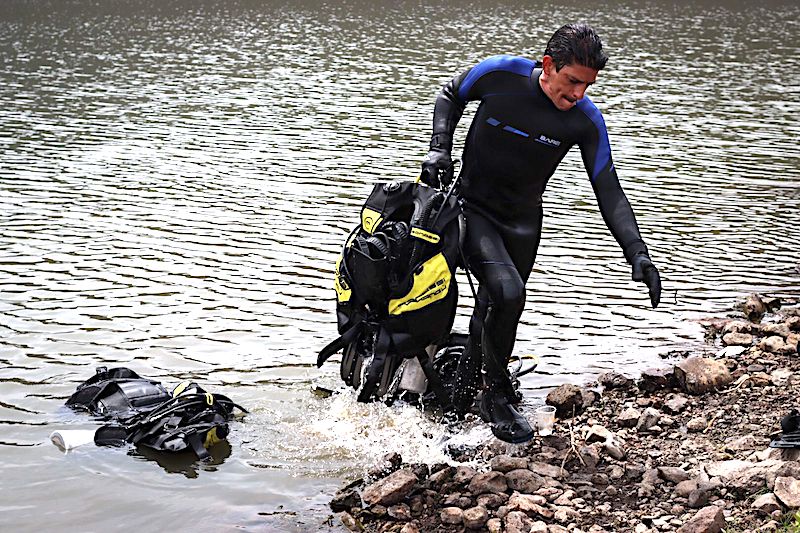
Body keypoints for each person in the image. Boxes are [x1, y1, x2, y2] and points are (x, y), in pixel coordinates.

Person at [420, 23, 662, 443]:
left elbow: (609, 189)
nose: (578, 95)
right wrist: (440, 145)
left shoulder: (585, 121)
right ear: (548, 65)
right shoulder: (501, 75)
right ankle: (494, 396)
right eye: (572, 82)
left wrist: (637, 253)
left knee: (496, 308)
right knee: (508, 293)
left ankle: (461, 395)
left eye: (588, 86)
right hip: (471, 208)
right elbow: (450, 94)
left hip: (522, 224)